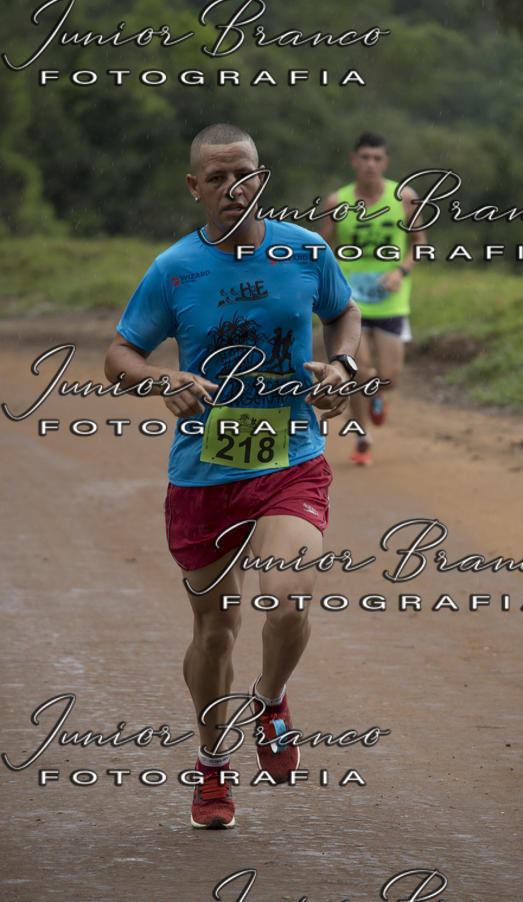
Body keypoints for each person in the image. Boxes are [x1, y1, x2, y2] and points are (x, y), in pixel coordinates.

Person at [104, 124, 361, 829]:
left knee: (287, 598)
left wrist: (343, 368)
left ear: (261, 176)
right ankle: (212, 766)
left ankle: (271, 701)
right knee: (215, 630)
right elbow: (120, 352)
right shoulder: (174, 268)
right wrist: (160, 379)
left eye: (242, 174)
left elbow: (345, 315)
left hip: (292, 458)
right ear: (194, 187)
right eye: (215, 178)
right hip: (204, 474)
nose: (230, 188)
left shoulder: (305, 251)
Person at [321, 131, 425, 465]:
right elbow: (319, 251)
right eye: (364, 157)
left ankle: (378, 395)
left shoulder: (405, 197)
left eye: (376, 158)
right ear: (354, 161)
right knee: (359, 370)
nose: (370, 164)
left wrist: (400, 271)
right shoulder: (337, 203)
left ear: (385, 163)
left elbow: (420, 245)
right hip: (351, 302)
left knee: (389, 377)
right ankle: (362, 437)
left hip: (391, 300)